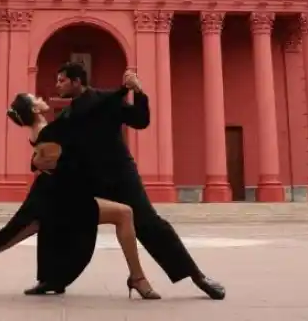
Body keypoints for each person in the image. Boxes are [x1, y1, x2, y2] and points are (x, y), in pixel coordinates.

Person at [0, 90, 160, 299]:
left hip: (54, 197)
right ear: (35, 108)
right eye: (36, 98)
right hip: (56, 200)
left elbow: (47, 161)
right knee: (124, 214)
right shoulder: (44, 130)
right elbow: (56, 163)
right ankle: (137, 278)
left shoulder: (44, 129)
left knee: (1, 240)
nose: (42, 98)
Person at [34, 62, 226, 300]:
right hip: (90, 180)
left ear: (77, 81)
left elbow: (140, 121)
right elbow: (52, 136)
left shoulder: (106, 100)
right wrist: (34, 125)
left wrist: (139, 93)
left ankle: (197, 276)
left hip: (120, 176)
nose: (57, 84)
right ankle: (52, 279)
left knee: (150, 224)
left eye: (62, 80)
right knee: (55, 216)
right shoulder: (71, 113)